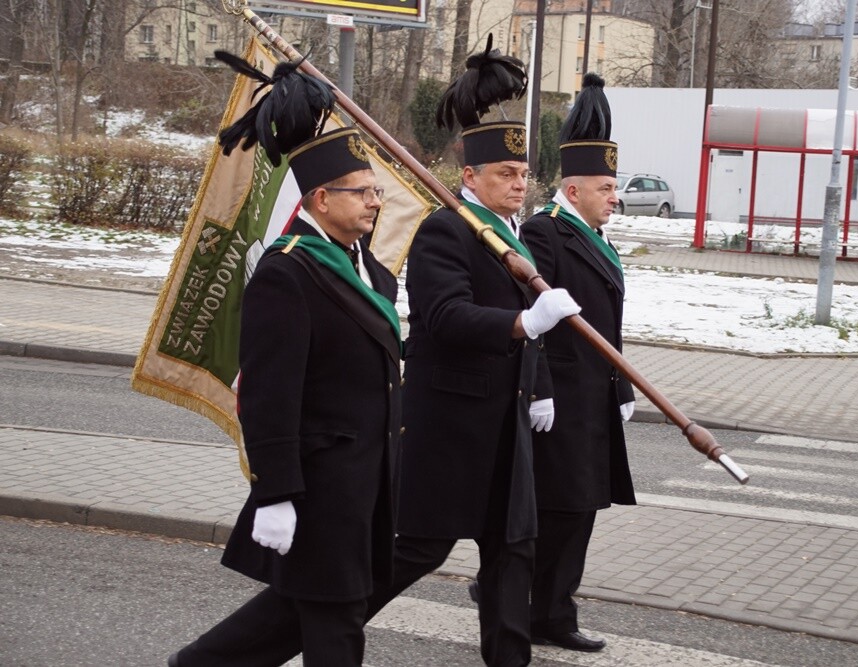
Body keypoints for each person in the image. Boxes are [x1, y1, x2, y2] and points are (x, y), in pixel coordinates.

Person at [363, 37, 580, 667]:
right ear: (469, 178)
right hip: (450, 428)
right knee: (415, 553)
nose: (519, 184)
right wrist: (521, 323)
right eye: (504, 175)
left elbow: (529, 331)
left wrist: (537, 385)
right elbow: (445, 317)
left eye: (523, 174)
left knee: (514, 551)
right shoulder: (445, 230)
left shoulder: (516, 237)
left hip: (506, 430)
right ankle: (313, 618)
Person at [168, 126, 403, 666]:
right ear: (321, 199)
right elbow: (269, 395)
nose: (375, 202)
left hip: (368, 480)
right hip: (322, 484)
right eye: (362, 192)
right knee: (336, 617)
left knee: (305, 605)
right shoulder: (287, 273)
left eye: (376, 191)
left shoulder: (369, 270)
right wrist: (275, 493)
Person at [518, 73, 637, 653]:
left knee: (581, 508)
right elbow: (532, 314)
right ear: (574, 188)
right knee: (559, 508)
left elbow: (606, 324)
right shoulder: (544, 233)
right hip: (559, 396)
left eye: (615, 187)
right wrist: (539, 388)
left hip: (593, 395)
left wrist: (621, 388)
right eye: (607, 187)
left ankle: (547, 605)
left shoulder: (597, 237)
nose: (616, 196)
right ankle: (540, 608)